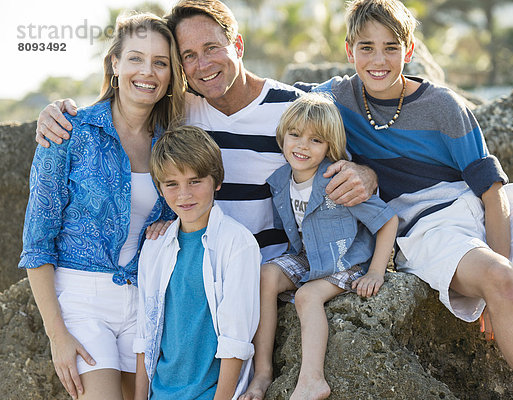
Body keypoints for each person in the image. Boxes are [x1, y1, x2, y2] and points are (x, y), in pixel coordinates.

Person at [313, 0, 513, 399]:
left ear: (409, 50)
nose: (378, 60)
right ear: (349, 51)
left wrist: (505, 277)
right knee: (500, 279)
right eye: (366, 47)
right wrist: (500, 285)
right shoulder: (334, 99)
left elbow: (491, 190)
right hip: (428, 227)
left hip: (485, 209)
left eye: (391, 47)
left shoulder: (443, 105)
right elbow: (272, 101)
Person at [34, 0, 378, 264]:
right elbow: (128, 103)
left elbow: (340, 175)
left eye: (212, 48)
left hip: (272, 274)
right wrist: (60, 112)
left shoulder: (293, 109)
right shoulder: (177, 113)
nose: (203, 64)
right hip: (199, 273)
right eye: (188, 55)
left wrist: (366, 173)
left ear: (237, 46)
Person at [19, 12, 185, 400]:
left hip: (144, 303)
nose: (148, 71)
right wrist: (58, 336)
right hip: (82, 301)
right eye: (136, 58)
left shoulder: (173, 143)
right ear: (114, 63)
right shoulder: (67, 131)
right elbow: (37, 242)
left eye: (160, 62)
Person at [242, 92, 398, 400]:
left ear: (329, 147)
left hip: (345, 260)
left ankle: (312, 380)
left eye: (316, 140)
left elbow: (388, 219)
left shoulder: (337, 180)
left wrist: (377, 271)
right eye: (295, 135)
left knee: (307, 295)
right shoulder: (280, 180)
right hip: (309, 257)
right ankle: (262, 373)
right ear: (282, 136)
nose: (302, 145)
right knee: (266, 276)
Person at [133, 125, 260, 400]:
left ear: (216, 180)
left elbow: (235, 340)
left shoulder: (237, 243)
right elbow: (146, 335)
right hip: (160, 394)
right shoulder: (155, 246)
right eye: (171, 184)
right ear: (160, 187)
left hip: (212, 394)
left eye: (194, 181)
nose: (184, 195)